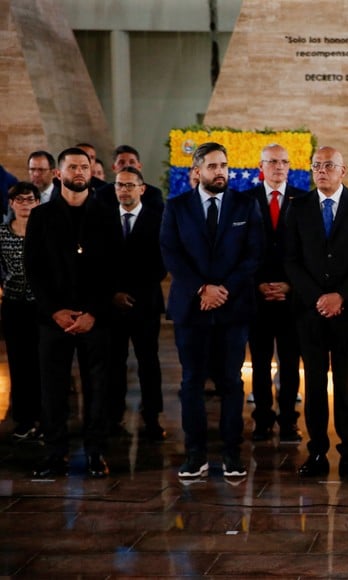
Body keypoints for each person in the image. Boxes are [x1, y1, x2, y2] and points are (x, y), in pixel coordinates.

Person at [160, 142, 264, 479]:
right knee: (191, 382)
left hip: (233, 308)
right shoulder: (176, 207)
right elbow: (170, 252)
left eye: (224, 165)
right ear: (197, 171)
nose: (220, 172)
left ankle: (232, 454)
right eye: (213, 166)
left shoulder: (245, 205)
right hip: (192, 309)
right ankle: (195, 454)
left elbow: (253, 253)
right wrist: (202, 288)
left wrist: (224, 290)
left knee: (231, 382)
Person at [24, 147, 122, 478]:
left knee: (98, 387)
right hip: (54, 319)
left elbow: (113, 269)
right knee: (53, 387)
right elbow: (33, 269)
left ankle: (96, 452)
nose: (79, 172)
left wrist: (92, 312)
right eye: (72, 167)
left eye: (84, 166)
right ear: (58, 174)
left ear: (92, 171)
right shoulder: (41, 216)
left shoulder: (107, 213)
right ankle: (55, 452)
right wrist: (55, 311)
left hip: (96, 318)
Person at [284, 146, 348, 481]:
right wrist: (317, 298)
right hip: (309, 312)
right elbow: (290, 258)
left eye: (328, 166)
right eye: (316, 166)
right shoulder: (297, 207)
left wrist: (340, 295)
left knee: (345, 383)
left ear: (343, 170)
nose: (321, 171)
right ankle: (317, 452)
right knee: (314, 383)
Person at [243, 144, 306, 443]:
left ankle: (289, 422)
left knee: (291, 363)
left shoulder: (303, 200)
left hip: (291, 297)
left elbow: (308, 250)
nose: (278, 167)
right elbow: (241, 247)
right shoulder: (245, 200)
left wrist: (290, 285)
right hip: (257, 296)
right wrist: (257, 283)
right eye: (272, 162)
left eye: (283, 162)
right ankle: (262, 420)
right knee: (259, 362)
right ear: (261, 165)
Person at [106, 166, 168, 441]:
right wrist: (113, 293)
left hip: (145, 303)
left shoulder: (158, 219)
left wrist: (135, 293)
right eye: (120, 185)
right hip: (112, 304)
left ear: (142, 189)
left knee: (148, 362)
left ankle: (152, 417)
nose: (124, 190)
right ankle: (114, 415)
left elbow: (162, 263)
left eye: (130, 185)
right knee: (114, 362)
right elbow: (98, 261)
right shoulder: (104, 218)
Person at [1, 182, 42, 440]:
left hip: (42, 305)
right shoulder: (2, 233)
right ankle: (24, 418)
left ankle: (44, 417)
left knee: (41, 362)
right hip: (14, 304)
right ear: (11, 203)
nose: (25, 204)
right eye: (20, 200)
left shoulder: (45, 231)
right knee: (18, 361)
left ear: (38, 203)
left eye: (30, 199)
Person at [95, 145, 165, 213]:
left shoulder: (153, 194)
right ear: (114, 168)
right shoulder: (102, 194)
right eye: (121, 162)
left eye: (132, 162)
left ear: (139, 166)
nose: (127, 165)